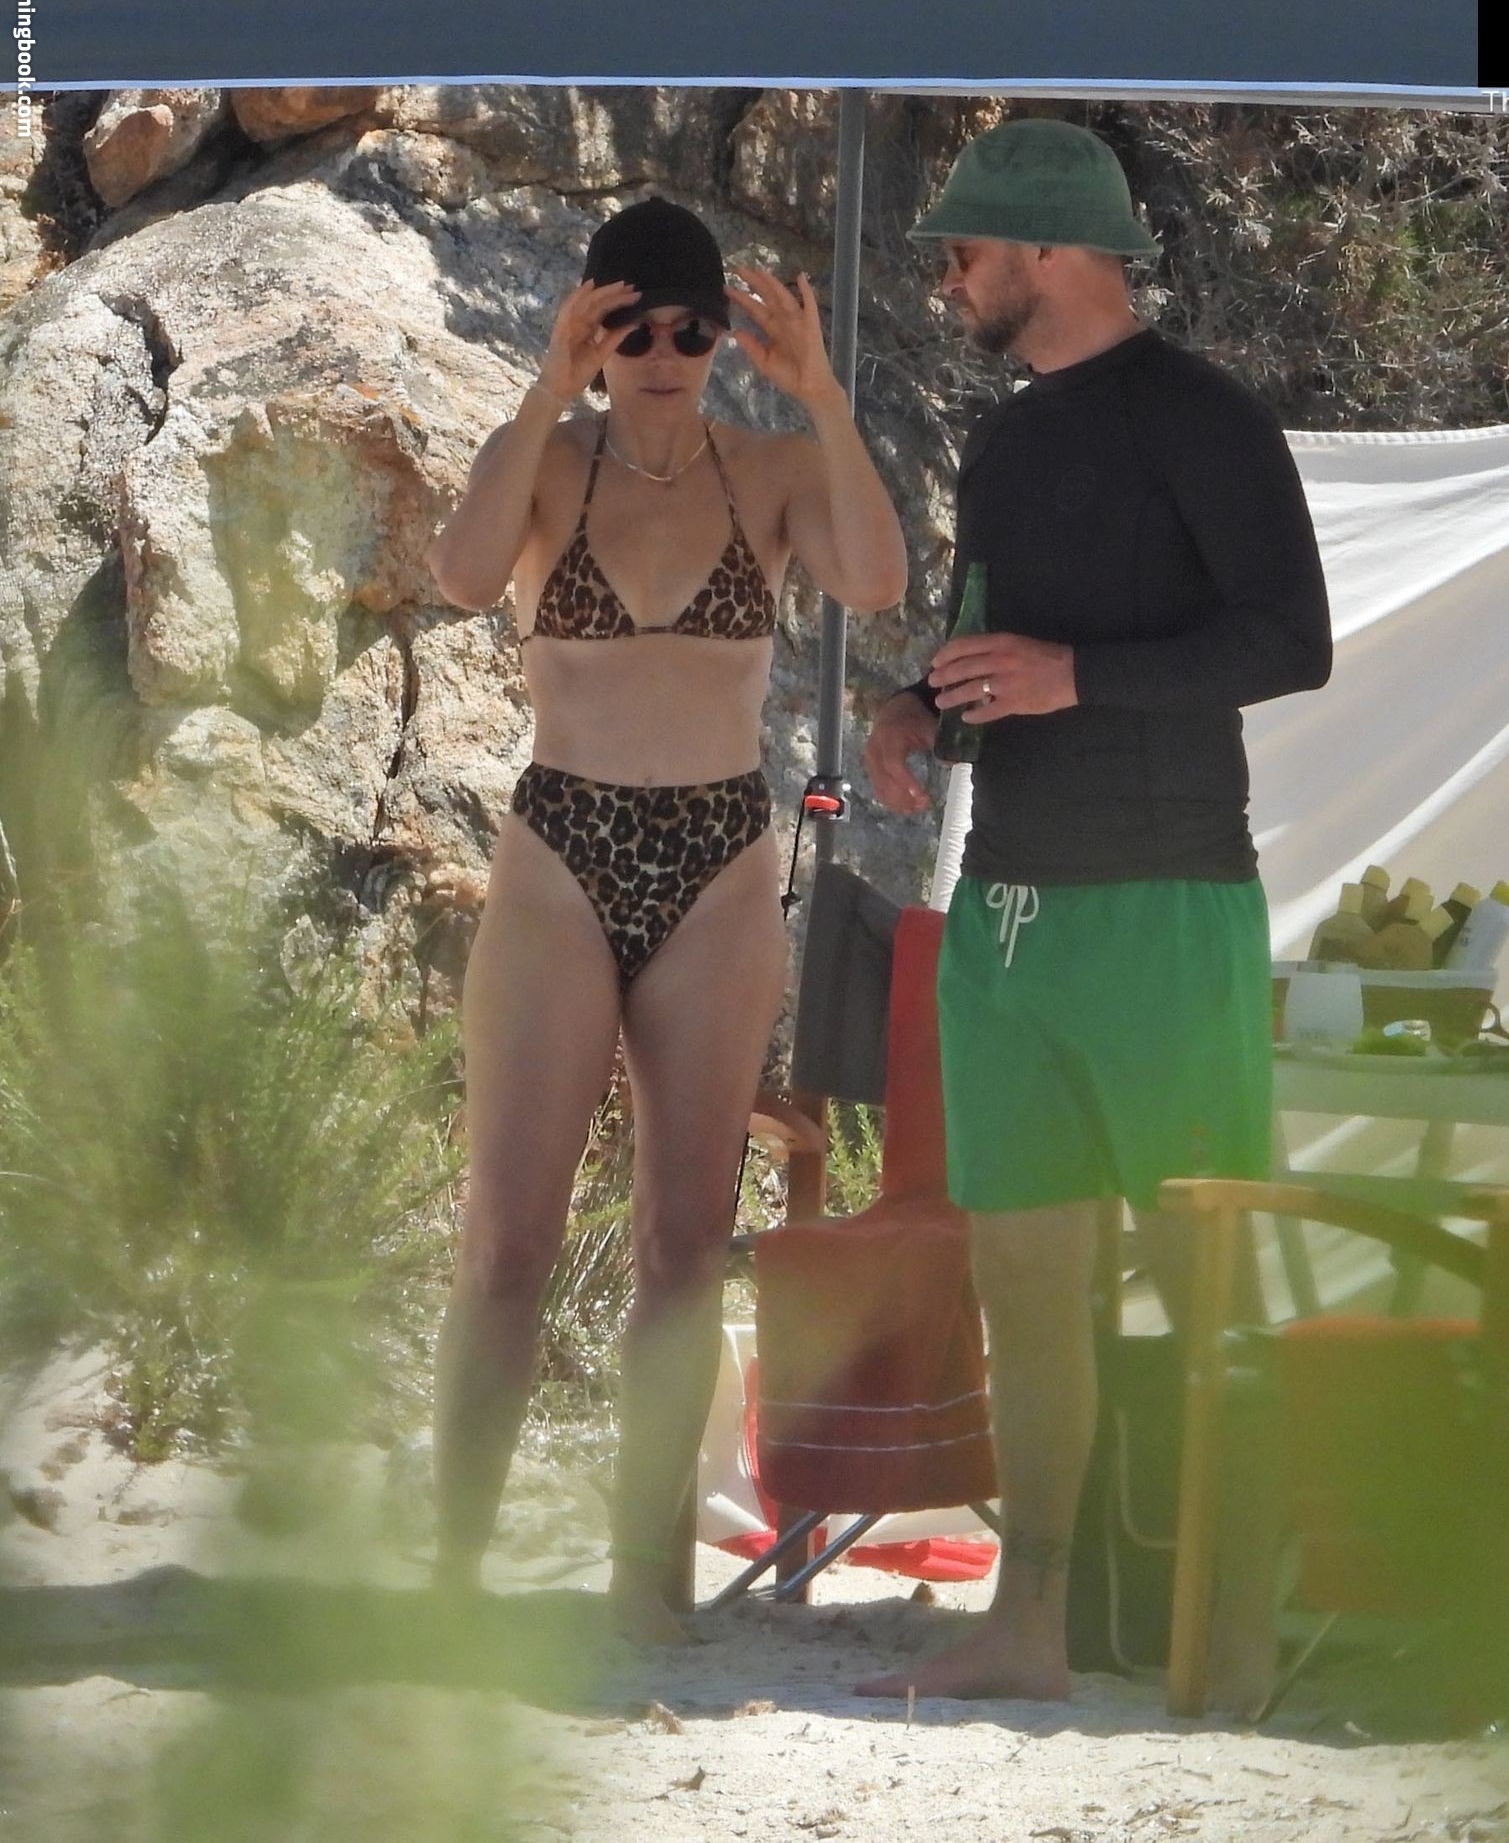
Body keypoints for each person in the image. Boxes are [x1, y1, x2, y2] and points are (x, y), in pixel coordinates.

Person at [859, 121, 1331, 1701]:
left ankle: (1235, 1640)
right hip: (1006, 913)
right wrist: (918, 708)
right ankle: (1033, 1626)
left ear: (1052, 251)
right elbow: (988, 642)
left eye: (965, 254)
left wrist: (1080, 678)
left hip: (1166, 908)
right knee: (1027, 1294)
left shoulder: (1204, 417)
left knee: (1209, 1285)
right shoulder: (1004, 442)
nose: (948, 281)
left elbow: (1292, 641)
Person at [424, 197, 907, 1642]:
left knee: (687, 1245)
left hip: (715, 860)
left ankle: (650, 1581)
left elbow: (878, 582)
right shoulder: (544, 462)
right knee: (508, 1243)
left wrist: (824, 402)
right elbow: (460, 575)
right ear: (592, 330)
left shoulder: (771, 470)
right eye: (630, 328)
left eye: (692, 332)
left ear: (722, 344)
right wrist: (541, 389)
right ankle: (450, 1580)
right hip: (561, 849)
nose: (661, 356)